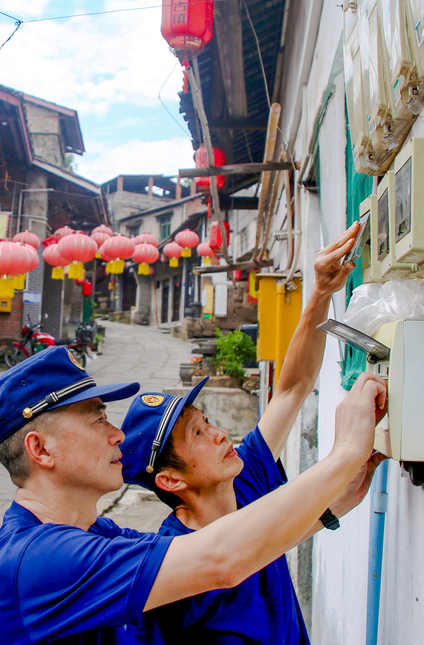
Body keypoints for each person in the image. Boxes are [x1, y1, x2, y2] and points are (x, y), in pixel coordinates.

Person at [0, 342, 387, 643]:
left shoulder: (97, 535)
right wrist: (345, 453)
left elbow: (217, 557)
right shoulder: (37, 562)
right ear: (40, 449)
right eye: (98, 421)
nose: (118, 435)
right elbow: (219, 561)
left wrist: (329, 507)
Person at [117, 224, 384, 643]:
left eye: (208, 422)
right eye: (199, 435)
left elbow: (292, 388)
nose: (221, 434)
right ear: (171, 480)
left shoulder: (246, 482)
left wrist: (320, 293)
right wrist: (345, 453)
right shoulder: (175, 565)